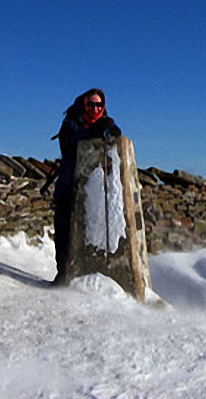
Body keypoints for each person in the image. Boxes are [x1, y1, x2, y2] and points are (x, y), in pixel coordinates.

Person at [51, 88, 121, 286]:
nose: (95, 109)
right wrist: (94, 131)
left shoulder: (105, 122)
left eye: (99, 105)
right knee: (65, 230)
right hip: (69, 185)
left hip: (94, 188)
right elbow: (72, 142)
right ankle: (63, 274)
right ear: (83, 104)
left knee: (91, 230)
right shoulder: (71, 123)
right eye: (91, 104)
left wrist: (112, 131)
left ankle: (89, 277)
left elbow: (114, 136)